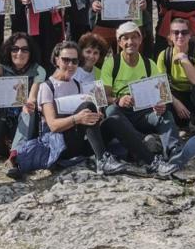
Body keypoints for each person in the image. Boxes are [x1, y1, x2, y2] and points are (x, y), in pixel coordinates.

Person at [98, 22, 195, 174]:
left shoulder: (149, 64)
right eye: (126, 38)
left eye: (134, 37)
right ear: (119, 42)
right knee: (111, 111)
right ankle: (144, 143)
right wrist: (118, 100)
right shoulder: (111, 64)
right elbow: (104, 97)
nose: (131, 42)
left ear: (141, 40)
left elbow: (161, 94)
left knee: (165, 114)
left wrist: (160, 105)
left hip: (143, 114)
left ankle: (174, 152)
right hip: (122, 115)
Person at [34, 40, 131, 177]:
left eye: (75, 61)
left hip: (78, 140)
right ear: (56, 60)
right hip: (60, 144)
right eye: (66, 60)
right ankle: (102, 160)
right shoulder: (47, 87)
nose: (71, 65)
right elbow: (53, 126)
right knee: (87, 106)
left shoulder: (77, 85)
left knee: (113, 120)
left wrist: (95, 117)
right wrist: (78, 118)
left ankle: (149, 159)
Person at [0, 32, 45, 157]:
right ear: (9, 50)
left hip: (22, 114)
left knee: (28, 111)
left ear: (31, 52)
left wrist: (29, 104)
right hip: (1, 113)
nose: (19, 53)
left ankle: (16, 153)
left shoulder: (38, 70)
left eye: (25, 50)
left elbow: (33, 96)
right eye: (15, 49)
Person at [155, 16, 195, 141]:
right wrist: (175, 102)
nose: (180, 35)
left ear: (190, 35)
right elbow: (161, 88)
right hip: (178, 97)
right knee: (163, 99)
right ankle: (174, 131)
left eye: (184, 32)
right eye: (175, 32)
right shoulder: (164, 55)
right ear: (170, 36)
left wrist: (183, 58)